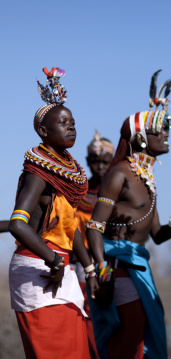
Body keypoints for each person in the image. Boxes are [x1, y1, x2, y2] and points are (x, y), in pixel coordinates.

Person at [85, 71, 171, 358]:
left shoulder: (147, 178)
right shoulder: (119, 174)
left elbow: (155, 236)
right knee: (127, 346)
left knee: (141, 343)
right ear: (140, 138)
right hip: (119, 271)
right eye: (160, 130)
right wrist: (103, 275)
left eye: (167, 129)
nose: (166, 135)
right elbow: (94, 228)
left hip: (140, 269)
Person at [8, 67, 91, 358]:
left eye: (73, 122)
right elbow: (19, 225)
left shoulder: (63, 173)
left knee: (76, 349)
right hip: (39, 267)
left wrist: (89, 267)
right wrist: (54, 262)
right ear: (43, 131)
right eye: (63, 122)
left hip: (58, 266)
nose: (71, 127)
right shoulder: (39, 172)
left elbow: (70, 227)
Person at [73, 131, 115, 359]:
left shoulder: (116, 188)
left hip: (112, 258)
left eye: (105, 162)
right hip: (83, 261)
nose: (100, 167)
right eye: (95, 162)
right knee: (88, 311)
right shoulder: (80, 190)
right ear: (88, 162)